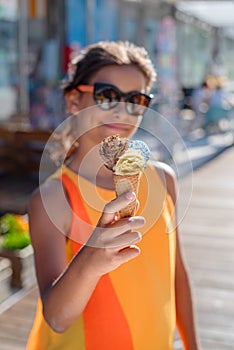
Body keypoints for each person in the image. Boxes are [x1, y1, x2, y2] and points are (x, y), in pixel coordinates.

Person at [27, 41, 200, 349]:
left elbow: (178, 277)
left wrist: (192, 345)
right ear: (74, 101)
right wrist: (92, 257)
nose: (122, 110)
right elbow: (56, 317)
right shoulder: (54, 197)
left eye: (136, 99)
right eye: (107, 96)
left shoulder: (162, 179)